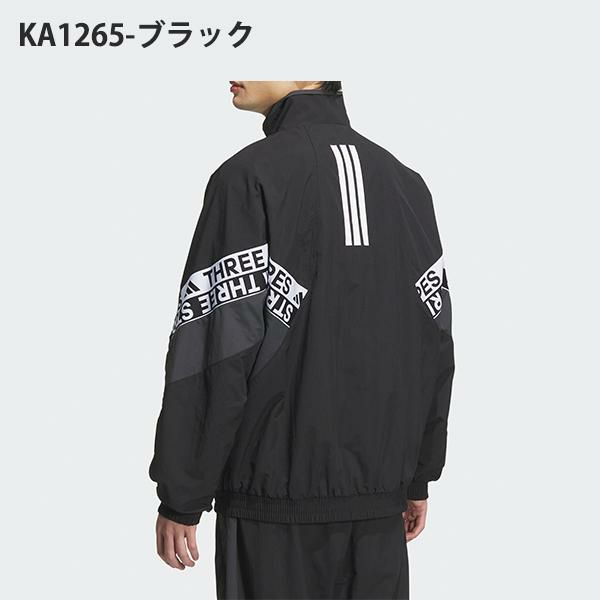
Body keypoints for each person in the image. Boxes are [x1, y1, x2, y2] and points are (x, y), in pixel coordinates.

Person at [149, 81, 455, 599]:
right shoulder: (406, 184)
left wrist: (183, 492)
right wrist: (418, 474)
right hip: (379, 509)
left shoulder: (248, 177)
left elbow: (216, 345)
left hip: (271, 508)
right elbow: (434, 338)